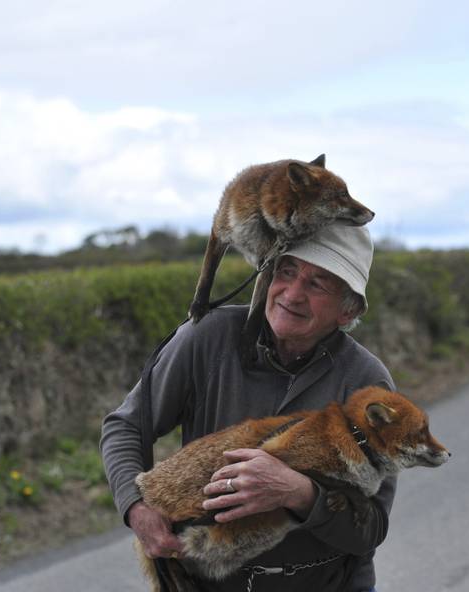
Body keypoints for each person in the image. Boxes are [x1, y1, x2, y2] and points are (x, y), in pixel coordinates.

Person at [101, 223, 395, 591]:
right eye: (286, 272)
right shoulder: (207, 337)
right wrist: (136, 508)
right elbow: (126, 427)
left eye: (317, 284)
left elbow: (371, 528)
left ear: (347, 311)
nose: (293, 293)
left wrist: (299, 494)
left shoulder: (366, 384)